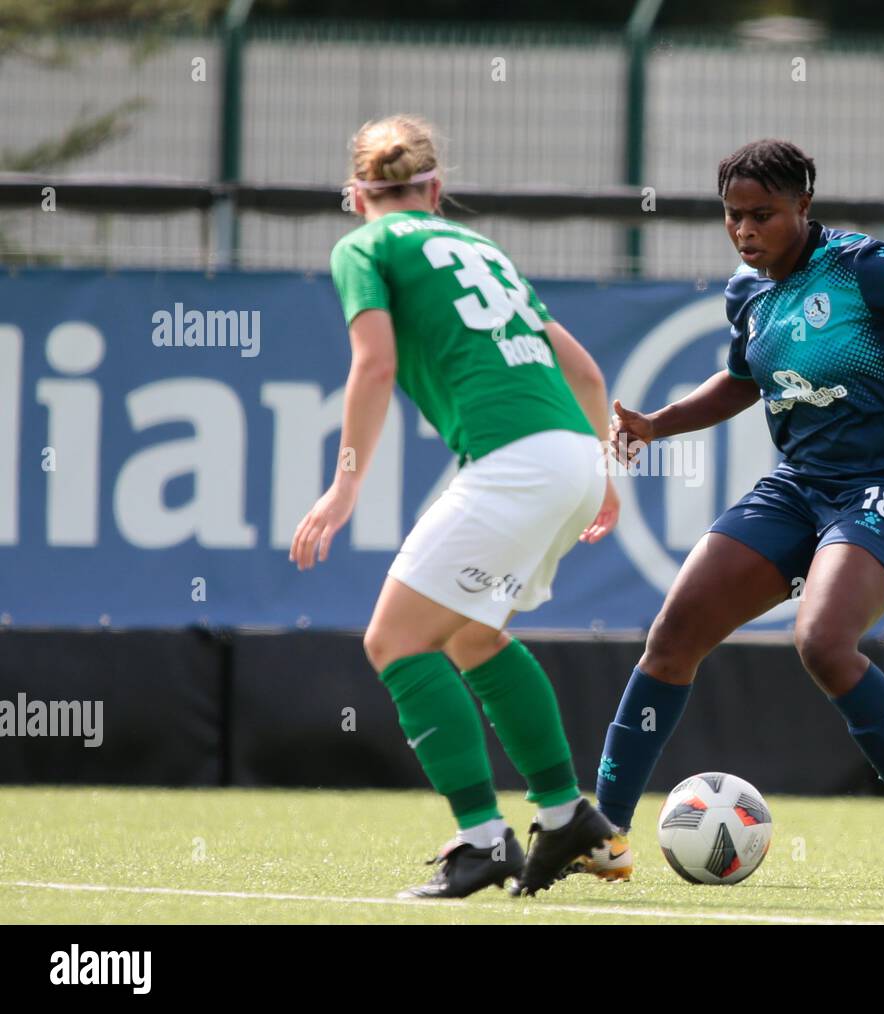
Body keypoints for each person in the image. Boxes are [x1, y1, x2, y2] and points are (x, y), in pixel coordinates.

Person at [577, 138, 884, 890]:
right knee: (674, 635)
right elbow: (743, 381)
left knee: (822, 642)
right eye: (733, 217)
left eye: (764, 215)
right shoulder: (747, 292)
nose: (746, 232)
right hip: (798, 486)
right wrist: (657, 422)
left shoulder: (866, 267)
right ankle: (605, 836)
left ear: (804, 207)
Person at [290, 113, 619, 899]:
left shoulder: (363, 246)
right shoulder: (482, 248)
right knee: (473, 636)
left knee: (395, 643)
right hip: (569, 455)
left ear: (354, 194)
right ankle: (567, 816)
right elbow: (587, 374)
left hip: (517, 463)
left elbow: (373, 367)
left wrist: (344, 483)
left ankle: (482, 842)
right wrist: (603, 471)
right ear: (435, 189)